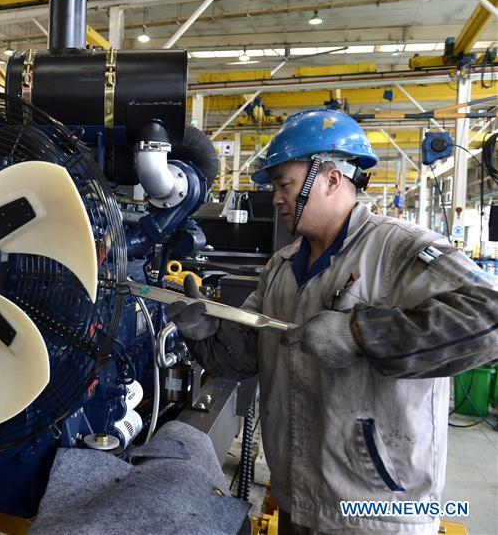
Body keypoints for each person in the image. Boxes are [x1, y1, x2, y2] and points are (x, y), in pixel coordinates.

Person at [167, 109, 498, 534]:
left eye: (284, 185)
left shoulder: (398, 251)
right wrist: (207, 332)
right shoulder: (280, 268)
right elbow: (243, 358)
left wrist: (360, 333)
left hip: (377, 514)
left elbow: (489, 315)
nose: (277, 198)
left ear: (331, 178)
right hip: (297, 501)